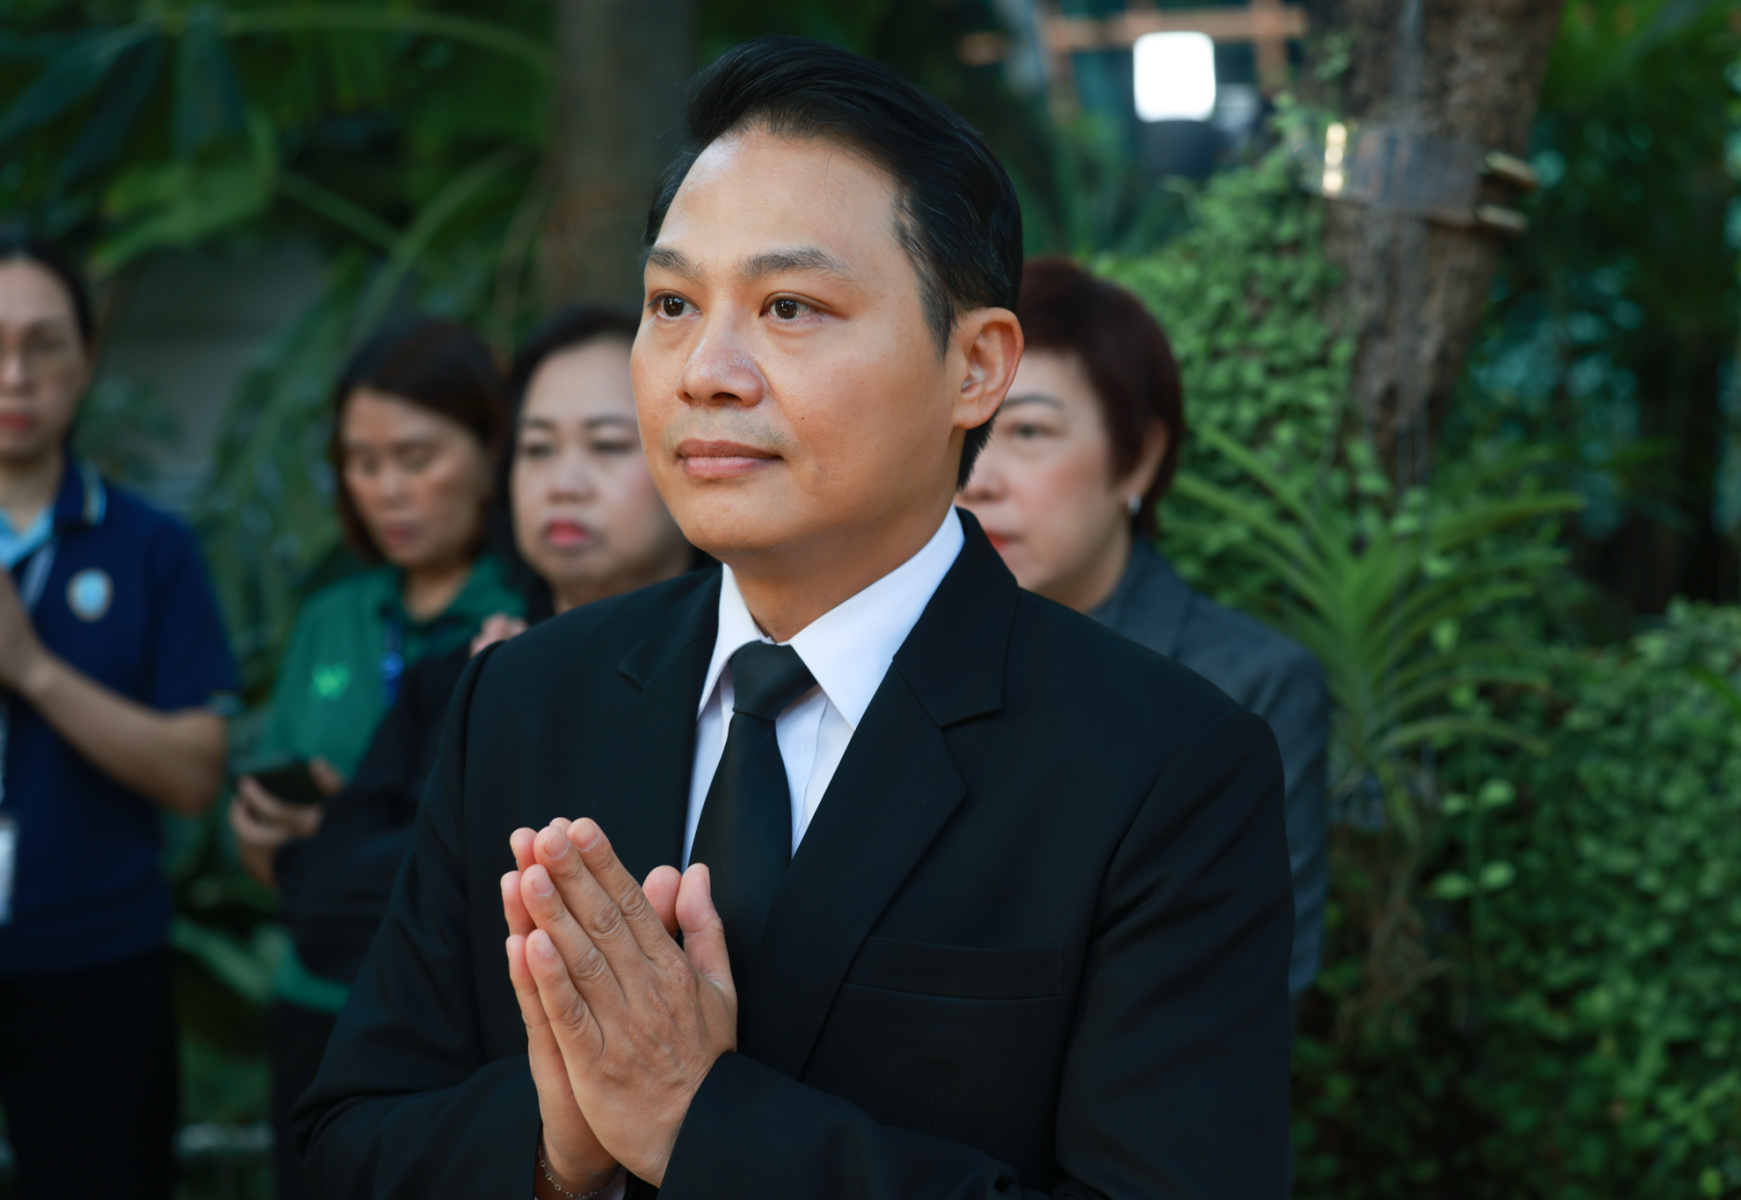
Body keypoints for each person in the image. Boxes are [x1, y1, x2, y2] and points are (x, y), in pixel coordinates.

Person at [297, 36, 1293, 1200]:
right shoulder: (524, 701)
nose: (706, 371)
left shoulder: (1160, 767)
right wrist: (554, 1141)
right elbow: (348, 1146)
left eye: (789, 306)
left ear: (977, 366)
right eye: (672, 302)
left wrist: (698, 1124)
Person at [250, 305, 697, 1200]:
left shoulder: (753, 687)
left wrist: (447, 876)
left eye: (607, 445)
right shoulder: (465, 679)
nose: (564, 482)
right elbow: (322, 899)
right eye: (537, 449)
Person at [957, 257, 1330, 1001]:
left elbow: (1246, 983)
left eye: (1027, 430)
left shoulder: (1243, 686)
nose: (978, 479)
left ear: (1140, 458)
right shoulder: (880, 645)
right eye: (964, 428)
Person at [228, 317, 524, 1198]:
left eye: (416, 457)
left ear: (491, 454)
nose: (387, 489)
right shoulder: (332, 616)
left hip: (455, 1018)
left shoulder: (524, 616)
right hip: (317, 997)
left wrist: (333, 836)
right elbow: (255, 845)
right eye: (362, 462)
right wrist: (270, 831)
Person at [0, 233, 240, 1200]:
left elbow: (194, 774)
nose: (15, 374)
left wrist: (34, 671)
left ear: (87, 358)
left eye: (44, 344)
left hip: (96, 964)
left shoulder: (151, 548)